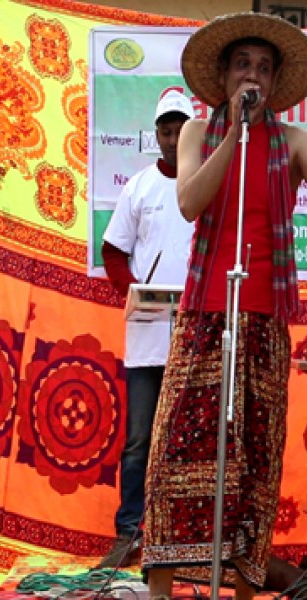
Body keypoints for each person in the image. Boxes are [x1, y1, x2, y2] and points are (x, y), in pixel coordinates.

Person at [141, 12, 307, 599]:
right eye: (243, 65)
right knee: (175, 451)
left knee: (255, 462)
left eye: (264, 69)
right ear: (224, 76)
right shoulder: (197, 133)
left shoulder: (291, 141)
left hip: (264, 322)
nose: (253, 76)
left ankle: (244, 589)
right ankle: (163, 586)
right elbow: (190, 201)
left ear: (274, 83)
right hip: (204, 316)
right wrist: (235, 137)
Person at [98, 90, 195, 568]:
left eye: (181, 131)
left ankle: (182, 533)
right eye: (166, 131)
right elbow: (113, 251)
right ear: (156, 135)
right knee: (139, 439)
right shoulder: (138, 187)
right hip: (147, 337)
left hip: (197, 337)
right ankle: (129, 532)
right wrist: (134, 291)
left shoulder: (206, 186)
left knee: (190, 440)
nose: (173, 139)